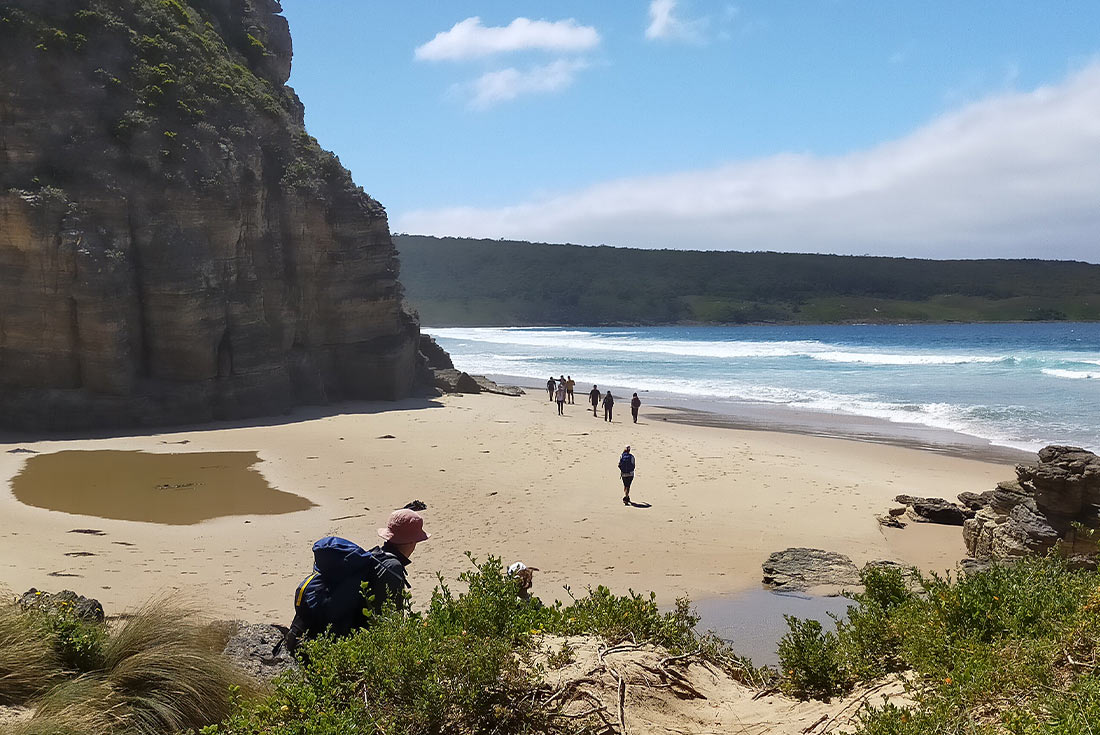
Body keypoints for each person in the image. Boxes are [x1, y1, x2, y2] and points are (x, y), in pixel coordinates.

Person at [286, 509, 430, 653]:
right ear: (412, 542)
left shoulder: (372, 555)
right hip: (348, 645)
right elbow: (389, 621)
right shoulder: (393, 568)